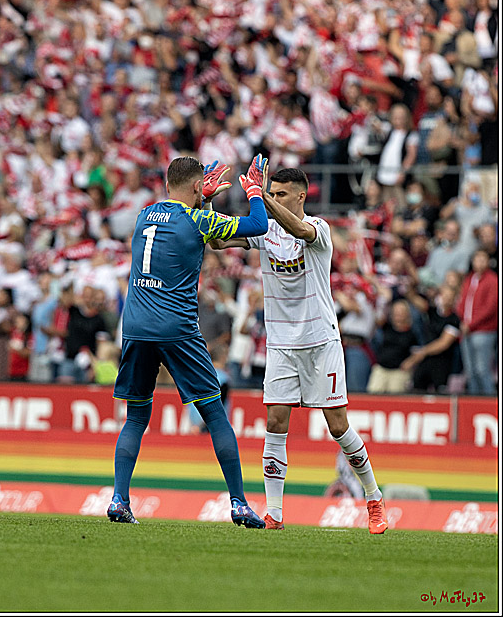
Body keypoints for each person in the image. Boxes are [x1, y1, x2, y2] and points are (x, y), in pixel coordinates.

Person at [212, 167, 388, 534]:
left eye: (281, 194)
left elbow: (299, 230)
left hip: (321, 342)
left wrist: (259, 197)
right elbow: (217, 242)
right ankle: (274, 512)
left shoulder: (319, 229)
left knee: (338, 427)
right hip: (280, 344)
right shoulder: (263, 230)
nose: (273, 199)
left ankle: (373, 497)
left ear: (300, 197)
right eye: (271, 193)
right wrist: (207, 201)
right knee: (276, 423)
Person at [108, 155, 268, 528]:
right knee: (214, 413)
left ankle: (119, 498)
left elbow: (198, 234)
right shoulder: (197, 218)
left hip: (134, 324)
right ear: (197, 186)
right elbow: (257, 226)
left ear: (167, 184)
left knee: (136, 417)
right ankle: (239, 503)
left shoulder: (144, 214)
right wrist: (255, 191)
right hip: (176, 327)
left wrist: (204, 198)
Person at [457, 250, 499, 396]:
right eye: (477, 259)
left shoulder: (492, 280)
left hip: (483, 331)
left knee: (482, 370)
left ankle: (489, 402)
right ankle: (473, 404)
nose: (479, 262)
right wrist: (462, 320)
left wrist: (471, 323)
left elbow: (491, 307)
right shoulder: (469, 279)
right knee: (470, 371)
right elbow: (462, 301)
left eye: (483, 259)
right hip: (466, 330)